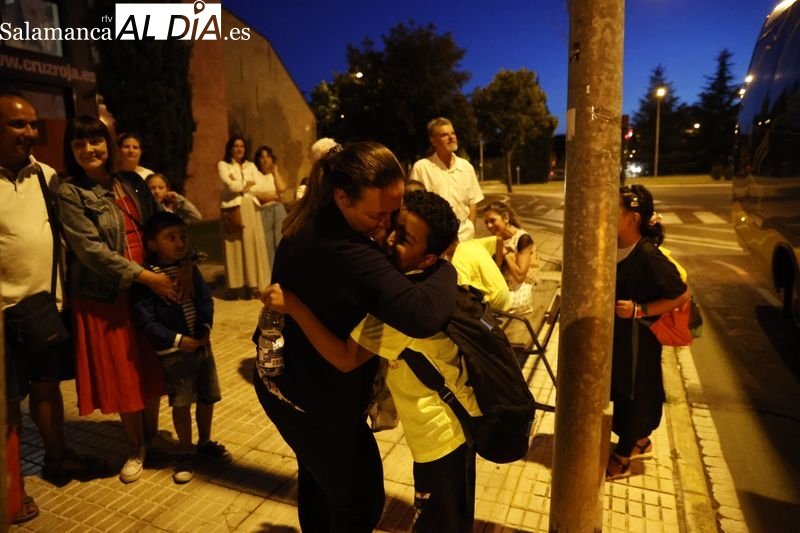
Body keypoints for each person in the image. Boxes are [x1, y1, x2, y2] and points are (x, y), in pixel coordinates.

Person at [253, 141, 459, 531]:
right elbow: (422, 315)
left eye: (395, 213)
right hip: (314, 400)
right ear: (342, 197)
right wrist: (446, 262)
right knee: (359, 501)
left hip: (289, 385)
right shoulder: (344, 250)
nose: (385, 227)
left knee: (319, 485)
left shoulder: (318, 217)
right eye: (376, 215)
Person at [0, 92, 105, 524]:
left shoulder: (45, 175)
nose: (29, 132)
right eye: (17, 124)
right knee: (6, 406)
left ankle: (57, 457)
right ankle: (11, 490)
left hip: (43, 307)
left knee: (46, 390)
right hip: (3, 313)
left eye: (32, 125)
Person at [57, 115, 176, 484]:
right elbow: (90, 250)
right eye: (79, 143)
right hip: (106, 295)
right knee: (123, 372)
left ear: (108, 144)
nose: (89, 150)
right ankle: (135, 445)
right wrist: (145, 276)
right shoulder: (70, 191)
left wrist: (177, 264)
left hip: (148, 285)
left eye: (96, 141)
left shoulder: (131, 182)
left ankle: (152, 434)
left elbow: (157, 225)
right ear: (71, 150)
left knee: (152, 362)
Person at [133, 212, 231, 484]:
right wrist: (177, 340)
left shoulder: (190, 269)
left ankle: (204, 441)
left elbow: (205, 301)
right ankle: (185, 450)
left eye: (182, 236)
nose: (179, 243)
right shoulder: (148, 279)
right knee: (182, 402)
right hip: (174, 353)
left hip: (201, 347)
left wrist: (205, 329)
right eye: (171, 237)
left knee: (207, 397)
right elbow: (146, 322)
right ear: (153, 245)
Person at [607, 184, 690, 481]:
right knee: (621, 389)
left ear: (632, 218)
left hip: (640, 340)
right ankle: (641, 442)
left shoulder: (649, 256)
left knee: (635, 394)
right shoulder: (615, 244)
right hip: (621, 339)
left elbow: (681, 294)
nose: (605, 212)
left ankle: (625, 454)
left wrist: (639, 310)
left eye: (612, 208)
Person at [409, 117, 484, 241]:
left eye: (453, 133)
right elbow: (414, 204)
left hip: (464, 238)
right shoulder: (422, 168)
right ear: (433, 140)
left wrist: (471, 228)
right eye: (444, 134)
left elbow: (473, 201)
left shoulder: (466, 167)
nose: (451, 137)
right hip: (435, 240)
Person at [217, 135, 270, 300]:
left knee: (250, 245)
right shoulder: (223, 165)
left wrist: (240, 186)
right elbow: (229, 185)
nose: (239, 149)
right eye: (236, 146)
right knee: (234, 245)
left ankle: (252, 285)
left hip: (250, 207)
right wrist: (246, 184)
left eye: (242, 146)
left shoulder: (251, 166)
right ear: (230, 148)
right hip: (232, 208)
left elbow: (260, 185)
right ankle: (233, 287)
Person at [483, 201, 538, 314]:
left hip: (520, 293)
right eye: (486, 222)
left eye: (493, 220)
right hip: (505, 288)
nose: (489, 226)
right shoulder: (499, 239)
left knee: (482, 305)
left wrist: (504, 252)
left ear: (506, 218)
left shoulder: (523, 239)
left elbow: (520, 276)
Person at [251, 145, 288, 268]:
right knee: (267, 246)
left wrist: (276, 172)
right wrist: (274, 196)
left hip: (278, 210)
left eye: (268, 156)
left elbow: (282, 188)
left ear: (272, 159)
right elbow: (258, 197)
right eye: (262, 157)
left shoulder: (273, 175)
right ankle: (271, 275)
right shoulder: (255, 175)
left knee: (281, 243)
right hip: (263, 212)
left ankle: (284, 272)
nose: (265, 159)